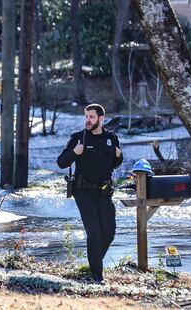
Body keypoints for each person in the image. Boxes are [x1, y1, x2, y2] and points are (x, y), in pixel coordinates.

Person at [57, 103, 123, 283]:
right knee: (94, 232)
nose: (88, 120)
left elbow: (115, 163)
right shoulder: (78, 138)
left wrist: (119, 156)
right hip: (83, 192)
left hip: (104, 192)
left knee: (109, 232)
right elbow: (61, 162)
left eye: (91, 117)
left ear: (101, 119)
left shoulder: (111, 138)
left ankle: (94, 263)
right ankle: (97, 276)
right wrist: (75, 152)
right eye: (86, 117)